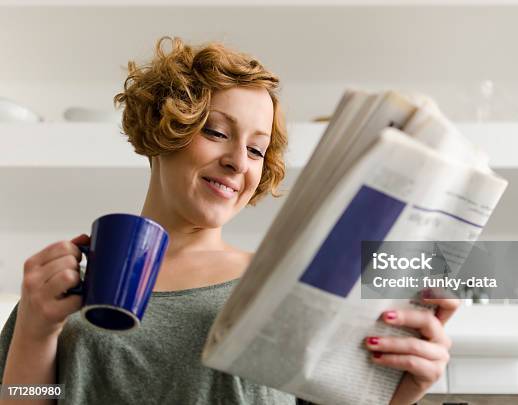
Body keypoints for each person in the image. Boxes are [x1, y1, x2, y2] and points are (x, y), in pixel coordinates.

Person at [0, 37, 459, 405]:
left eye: (257, 150)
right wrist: (37, 331)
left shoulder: (281, 283)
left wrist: (400, 398)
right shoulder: (58, 294)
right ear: (165, 129)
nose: (239, 161)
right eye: (217, 132)